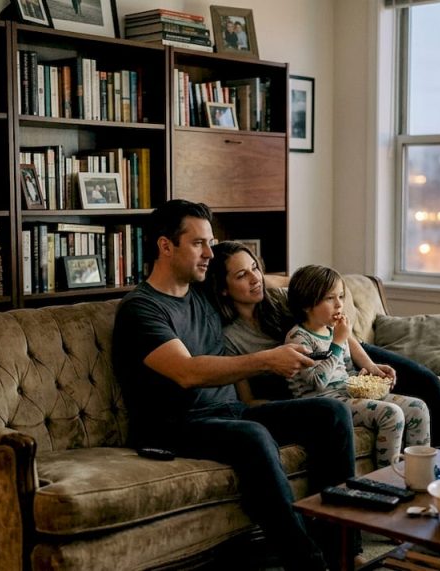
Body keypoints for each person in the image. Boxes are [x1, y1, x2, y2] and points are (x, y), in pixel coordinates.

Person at [112, 200, 355, 571]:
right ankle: (307, 563)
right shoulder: (142, 309)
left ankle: (342, 548)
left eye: (211, 243)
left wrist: (297, 288)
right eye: (198, 244)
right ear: (165, 246)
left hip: (229, 411)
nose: (209, 253)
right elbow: (187, 372)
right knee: (252, 435)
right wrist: (267, 359)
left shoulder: (203, 292)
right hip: (175, 426)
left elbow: (254, 277)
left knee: (331, 413)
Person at [203, 241, 440, 446]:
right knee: (398, 407)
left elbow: (327, 316)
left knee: (427, 381)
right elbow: (248, 398)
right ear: (223, 288)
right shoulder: (231, 338)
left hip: (343, 346)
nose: (254, 278)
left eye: (255, 268)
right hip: (321, 371)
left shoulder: (279, 301)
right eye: (241, 275)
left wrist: (368, 365)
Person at [285, 264, 430, 468]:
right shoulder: (298, 338)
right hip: (322, 402)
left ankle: (419, 472)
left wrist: (370, 372)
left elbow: (345, 369)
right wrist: (337, 343)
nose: (339, 305)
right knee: (392, 414)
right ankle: (387, 480)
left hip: (346, 393)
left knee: (418, 407)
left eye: (341, 297)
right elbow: (318, 382)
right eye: (330, 298)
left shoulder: (332, 330)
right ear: (306, 304)